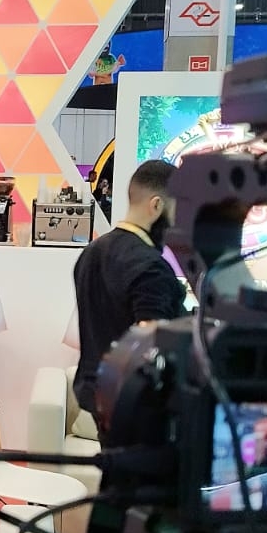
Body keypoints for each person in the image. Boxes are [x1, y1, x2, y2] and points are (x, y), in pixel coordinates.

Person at [70, 159, 187, 416]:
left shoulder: (91, 253)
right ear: (157, 206)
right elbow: (154, 347)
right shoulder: (150, 267)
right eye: (176, 212)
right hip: (139, 406)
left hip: (98, 395)